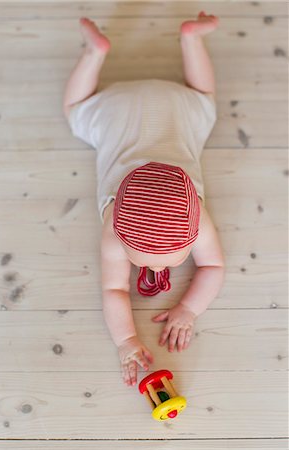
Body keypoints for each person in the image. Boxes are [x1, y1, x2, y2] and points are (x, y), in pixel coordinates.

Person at [63, 11, 225, 386]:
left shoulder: (191, 218)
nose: (151, 270)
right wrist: (126, 339)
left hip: (147, 106)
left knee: (204, 100)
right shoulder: (118, 229)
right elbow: (116, 289)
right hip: (141, 107)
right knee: (75, 112)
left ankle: (97, 51)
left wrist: (187, 308)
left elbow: (116, 288)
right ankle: (187, 40)